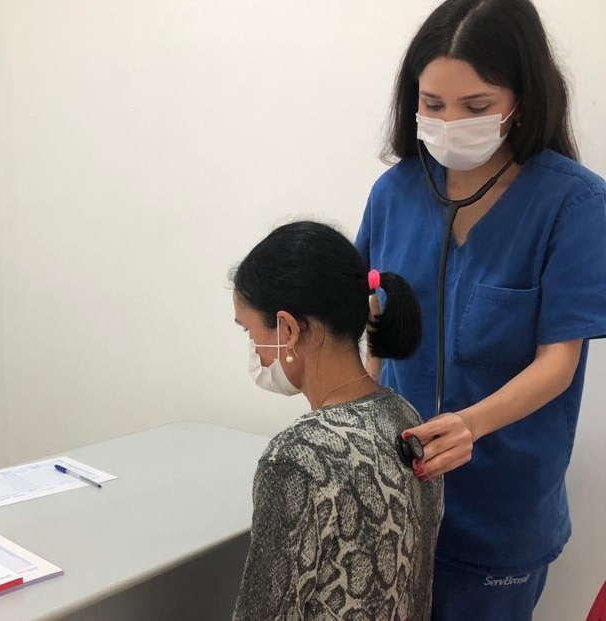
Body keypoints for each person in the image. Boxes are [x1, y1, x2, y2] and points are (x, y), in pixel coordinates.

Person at [356, 0, 606, 619]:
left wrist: (469, 424)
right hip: (395, 495)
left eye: (474, 107)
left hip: (501, 511)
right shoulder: (394, 193)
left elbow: (558, 365)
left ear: (521, 97)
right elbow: (370, 325)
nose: (449, 123)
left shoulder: (573, 204)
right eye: (432, 104)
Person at [230, 221, 443, 621]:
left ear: (288, 328)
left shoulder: (296, 457)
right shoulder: (404, 418)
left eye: (250, 332)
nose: (255, 351)